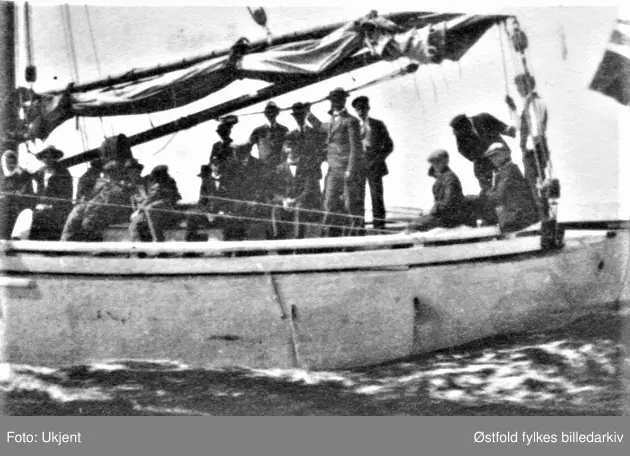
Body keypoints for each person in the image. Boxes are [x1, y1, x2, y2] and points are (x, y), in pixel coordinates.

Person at [307, 88, 365, 237]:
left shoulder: (351, 121)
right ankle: (329, 236)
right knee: (329, 203)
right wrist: (308, 113)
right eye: (333, 100)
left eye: (338, 99)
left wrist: (351, 170)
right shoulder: (332, 120)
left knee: (350, 205)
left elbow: (356, 148)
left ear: (343, 101)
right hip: (333, 170)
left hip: (346, 169)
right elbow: (320, 127)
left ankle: (354, 237)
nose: (335, 102)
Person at [506, 73, 550, 213]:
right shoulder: (527, 104)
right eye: (518, 86)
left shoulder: (536, 102)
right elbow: (520, 127)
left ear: (529, 84)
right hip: (530, 151)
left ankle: (545, 215)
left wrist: (530, 148)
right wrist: (513, 109)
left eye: (521, 85)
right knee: (532, 183)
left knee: (538, 183)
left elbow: (537, 128)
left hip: (535, 150)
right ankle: (542, 214)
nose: (519, 89)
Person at [351, 96, 394, 231]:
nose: (361, 112)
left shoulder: (378, 124)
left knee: (377, 199)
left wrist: (378, 159)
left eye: (363, 108)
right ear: (355, 111)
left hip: (375, 166)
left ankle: (379, 227)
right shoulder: (352, 126)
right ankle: (359, 229)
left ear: (368, 109)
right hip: (358, 167)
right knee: (358, 199)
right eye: (358, 109)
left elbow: (389, 145)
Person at [60, 160, 132, 242]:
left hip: (113, 209)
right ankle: (65, 241)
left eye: (113, 171)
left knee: (90, 218)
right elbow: (92, 196)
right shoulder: (102, 182)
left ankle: (94, 242)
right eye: (108, 172)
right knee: (77, 210)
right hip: (96, 205)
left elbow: (117, 198)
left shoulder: (123, 184)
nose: (110, 174)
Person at [481, 143, 540, 233]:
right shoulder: (502, 172)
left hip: (517, 218)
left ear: (506, 154)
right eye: (491, 157)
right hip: (512, 217)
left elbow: (499, 195)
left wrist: (486, 194)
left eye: (496, 155)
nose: (493, 159)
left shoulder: (510, 170)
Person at [450, 112, 516, 193]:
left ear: (466, 123)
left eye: (464, 129)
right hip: (482, 162)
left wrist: (509, 130)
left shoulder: (483, 118)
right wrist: (479, 156)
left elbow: (500, 126)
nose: (463, 133)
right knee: (487, 189)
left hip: (499, 155)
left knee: (510, 180)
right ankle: (494, 201)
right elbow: (462, 150)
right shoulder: (460, 133)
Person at [269, 145, 322, 239]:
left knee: (299, 208)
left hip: (300, 201)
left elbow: (307, 189)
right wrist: (284, 200)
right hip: (285, 201)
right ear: (286, 152)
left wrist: (295, 200)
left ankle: (298, 239)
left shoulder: (306, 168)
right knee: (276, 209)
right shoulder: (279, 169)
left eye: (295, 151)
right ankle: (279, 239)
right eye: (290, 151)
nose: (292, 153)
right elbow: (274, 190)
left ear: (299, 153)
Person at [408, 149, 469, 231]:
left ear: (446, 162)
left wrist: (431, 211)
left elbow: (448, 202)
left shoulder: (449, 178)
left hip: (450, 218)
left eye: (438, 162)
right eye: (433, 163)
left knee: (414, 224)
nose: (435, 165)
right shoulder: (442, 177)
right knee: (416, 221)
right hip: (444, 215)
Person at [29, 146, 74, 240]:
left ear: (55, 158)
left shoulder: (63, 173)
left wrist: (51, 204)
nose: (48, 159)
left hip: (59, 207)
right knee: (30, 214)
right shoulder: (40, 172)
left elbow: (66, 195)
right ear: (42, 159)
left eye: (51, 157)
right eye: (45, 157)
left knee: (45, 216)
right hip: (41, 205)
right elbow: (37, 191)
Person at [184, 157, 234, 242]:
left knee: (232, 220)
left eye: (220, 165)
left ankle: (229, 249)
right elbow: (202, 201)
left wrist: (223, 211)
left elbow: (232, 200)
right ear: (211, 166)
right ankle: (192, 249)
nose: (218, 167)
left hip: (224, 214)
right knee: (191, 216)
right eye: (215, 165)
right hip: (209, 215)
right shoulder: (206, 181)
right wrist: (207, 213)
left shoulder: (229, 180)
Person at [129, 165, 182, 242]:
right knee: (137, 224)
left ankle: (155, 244)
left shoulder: (159, 184)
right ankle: (143, 250)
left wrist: (139, 211)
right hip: (163, 213)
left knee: (138, 223)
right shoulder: (168, 181)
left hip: (162, 213)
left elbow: (152, 198)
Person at [0, 150, 34, 239]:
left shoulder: (21, 175)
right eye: (6, 163)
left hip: (15, 207)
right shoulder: (1, 175)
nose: (9, 166)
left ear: (15, 163)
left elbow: (25, 193)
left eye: (12, 163)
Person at [249, 101, 289, 171]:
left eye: (273, 112)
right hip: (265, 169)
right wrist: (257, 163)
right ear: (265, 114)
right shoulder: (258, 131)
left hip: (282, 168)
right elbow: (246, 149)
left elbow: (289, 149)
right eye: (268, 112)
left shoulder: (284, 130)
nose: (271, 114)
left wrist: (284, 163)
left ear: (277, 113)